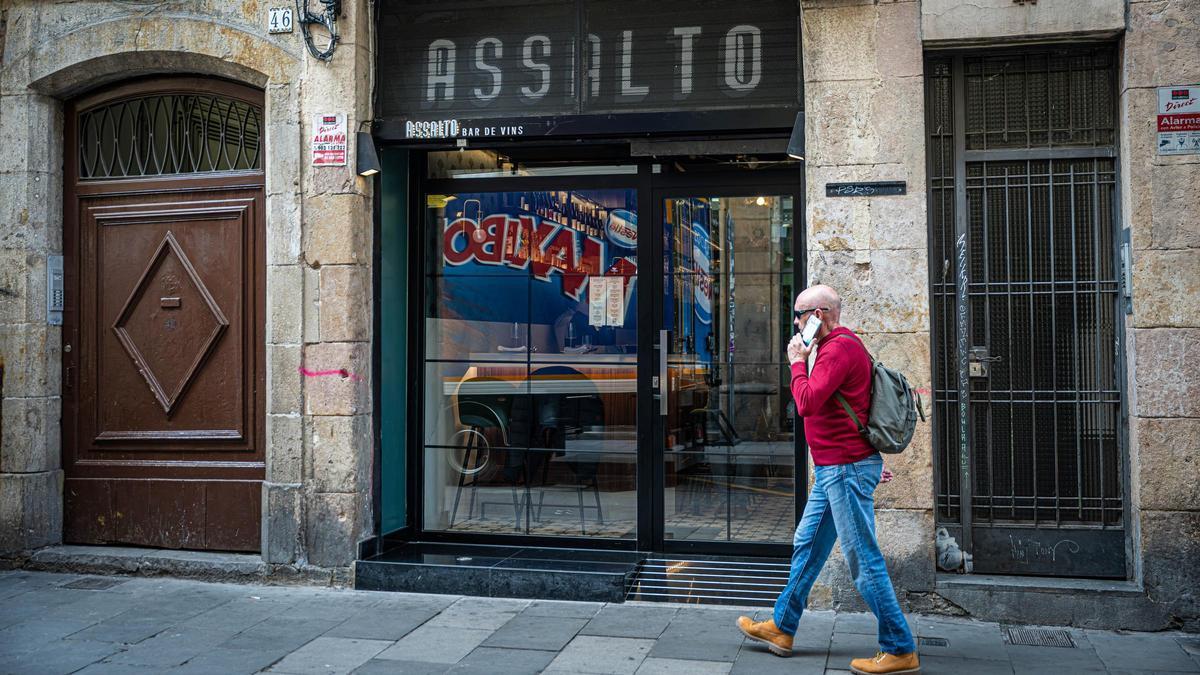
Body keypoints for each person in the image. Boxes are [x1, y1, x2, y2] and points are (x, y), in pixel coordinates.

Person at [736, 285, 919, 675]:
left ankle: (899, 647)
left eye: (800, 315)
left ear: (819, 313)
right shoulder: (840, 345)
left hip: (844, 469)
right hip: (835, 469)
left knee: (863, 560)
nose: (797, 323)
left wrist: (796, 362)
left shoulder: (837, 349)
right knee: (807, 544)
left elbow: (806, 402)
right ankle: (783, 627)